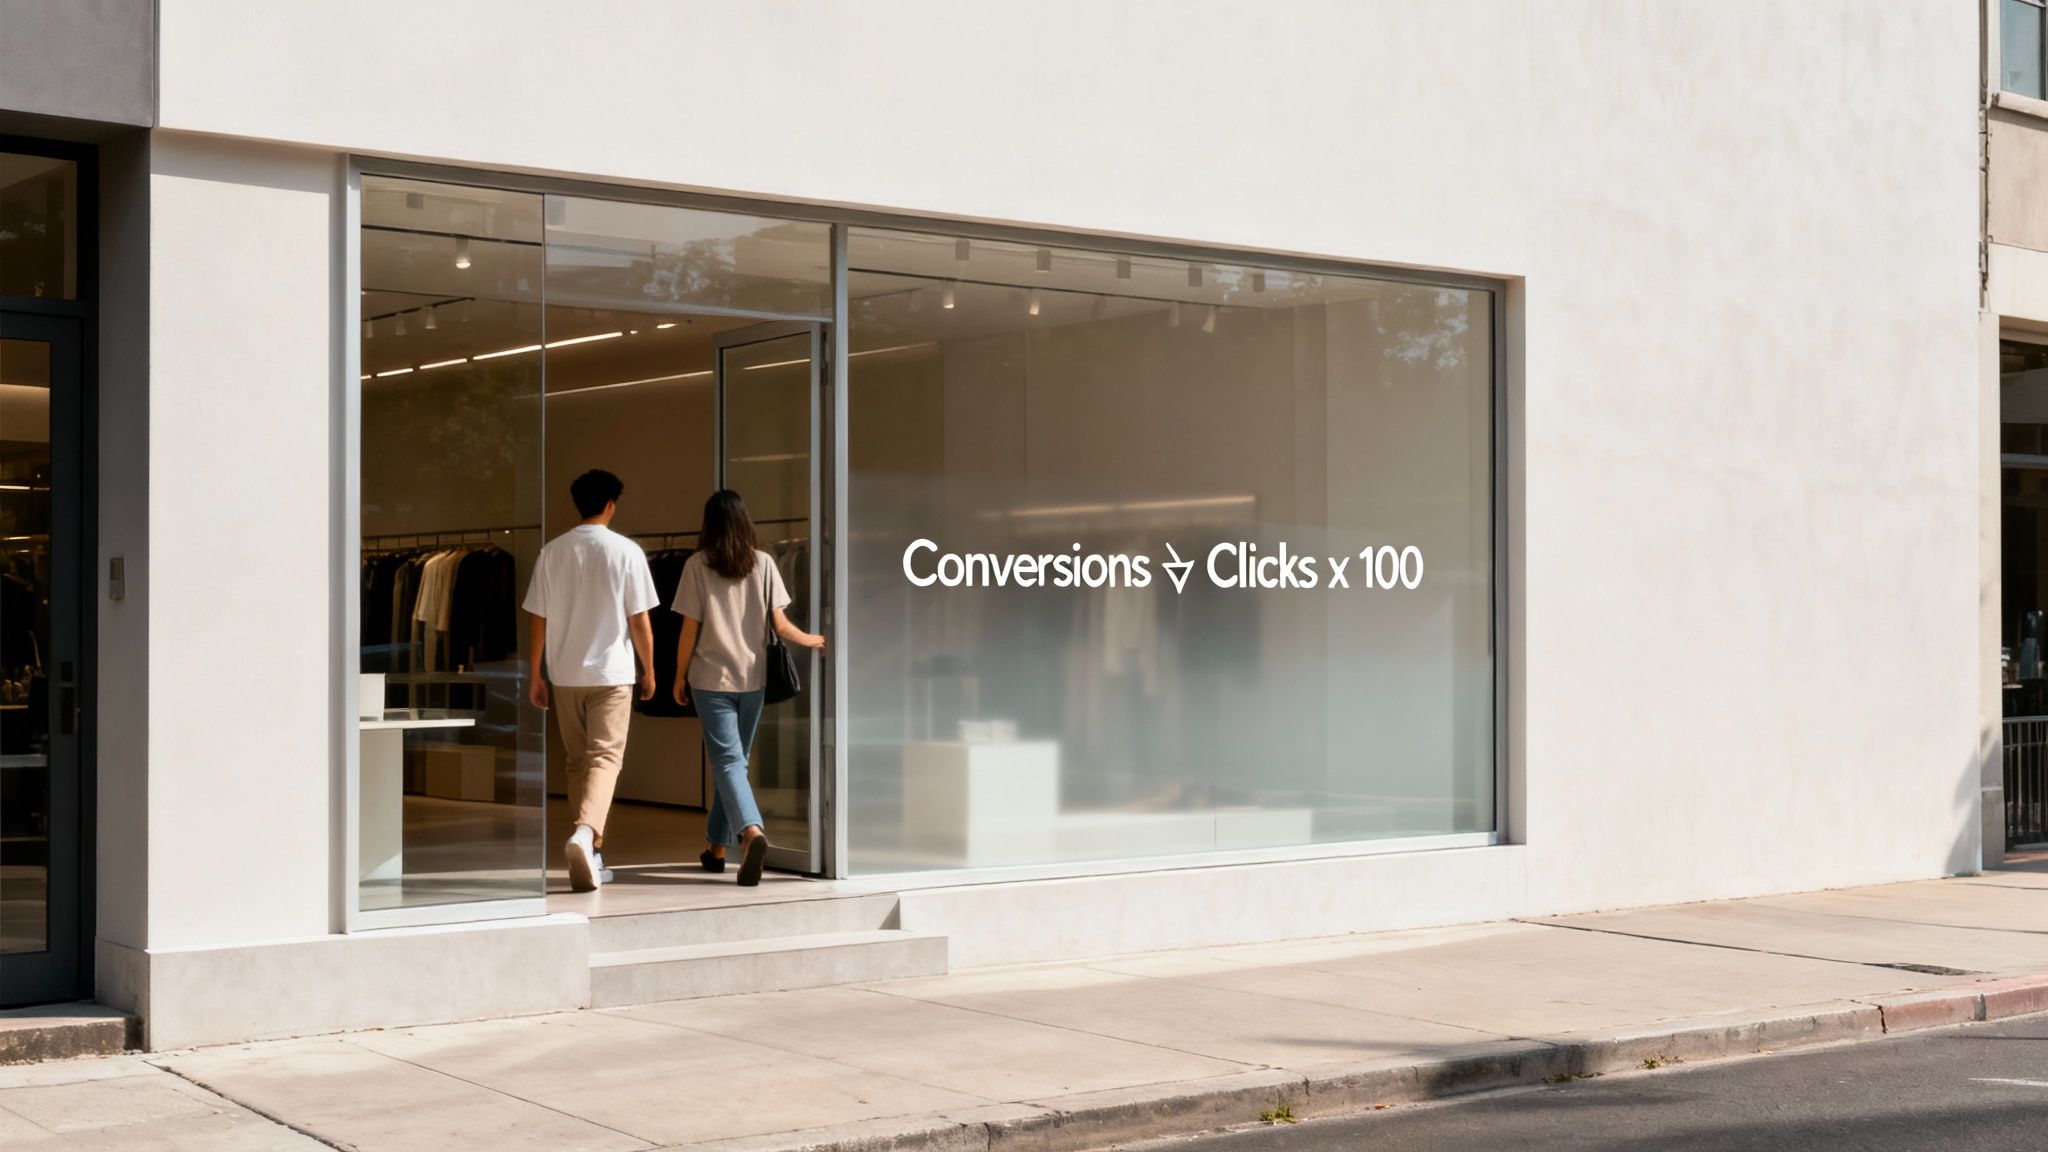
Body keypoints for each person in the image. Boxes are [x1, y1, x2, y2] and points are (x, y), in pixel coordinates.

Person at [672, 489, 825, 886]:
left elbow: (689, 630)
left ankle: (751, 831)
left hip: (710, 680)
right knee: (734, 764)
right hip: (752, 679)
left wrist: (678, 675)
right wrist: (813, 639)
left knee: (727, 763)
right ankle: (716, 848)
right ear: (745, 522)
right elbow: (781, 626)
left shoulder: (696, 566)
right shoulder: (764, 564)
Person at [524, 469, 659, 892]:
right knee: (605, 759)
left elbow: (538, 618)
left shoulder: (552, 552)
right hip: (612, 673)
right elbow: (639, 621)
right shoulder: (627, 552)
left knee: (577, 761)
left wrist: (535, 673)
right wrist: (650, 669)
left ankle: (593, 853)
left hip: (565, 674)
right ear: (611, 505)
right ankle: (585, 835)